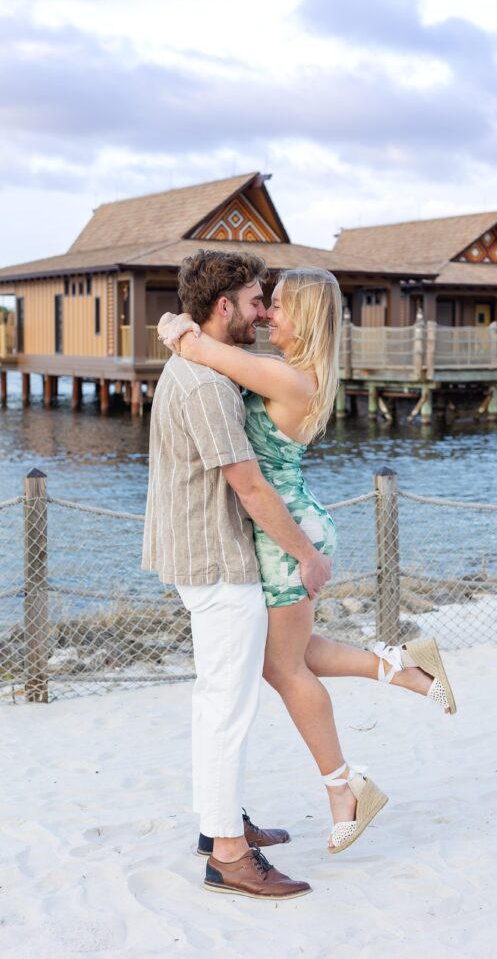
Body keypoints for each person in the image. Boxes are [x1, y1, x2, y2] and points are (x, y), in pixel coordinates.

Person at [158, 261, 457, 855]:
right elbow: (201, 348)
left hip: (285, 533)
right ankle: (403, 666)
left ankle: (343, 787)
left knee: (283, 670)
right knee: (292, 656)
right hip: (290, 527)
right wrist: (181, 327)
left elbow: (201, 350)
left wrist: (178, 327)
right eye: (264, 303)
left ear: (309, 319)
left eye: (281, 306)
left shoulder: (288, 378)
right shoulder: (287, 372)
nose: (269, 313)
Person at [142, 250, 332, 901]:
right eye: (257, 301)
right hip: (218, 561)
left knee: (216, 702)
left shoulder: (204, 367)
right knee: (226, 708)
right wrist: (306, 555)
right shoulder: (205, 384)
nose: (262, 313)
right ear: (224, 307)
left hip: (206, 554)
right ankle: (227, 854)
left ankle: (221, 825)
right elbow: (249, 487)